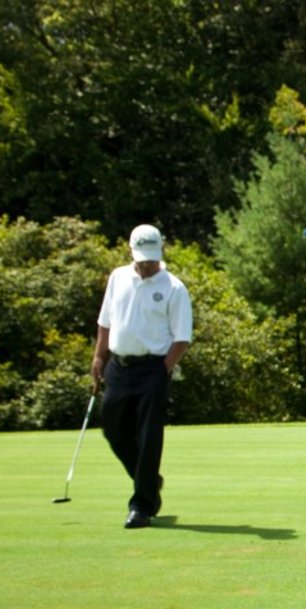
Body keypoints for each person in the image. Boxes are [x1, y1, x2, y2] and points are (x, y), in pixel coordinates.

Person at [90, 224, 193, 529]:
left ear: (160, 252)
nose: (146, 265)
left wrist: (162, 370)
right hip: (119, 367)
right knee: (113, 429)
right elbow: (105, 322)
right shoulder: (118, 277)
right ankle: (148, 479)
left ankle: (142, 505)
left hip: (153, 369)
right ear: (131, 252)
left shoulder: (174, 288)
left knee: (149, 438)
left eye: (151, 259)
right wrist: (99, 357)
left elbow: (182, 338)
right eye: (141, 259)